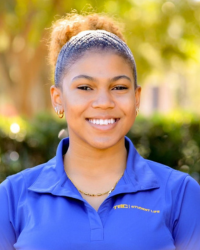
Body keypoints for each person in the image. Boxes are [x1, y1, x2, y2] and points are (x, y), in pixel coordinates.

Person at [0, 12, 200, 250]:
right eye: (85, 87)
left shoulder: (181, 194)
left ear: (136, 98)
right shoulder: (11, 196)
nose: (103, 101)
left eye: (119, 87)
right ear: (58, 99)